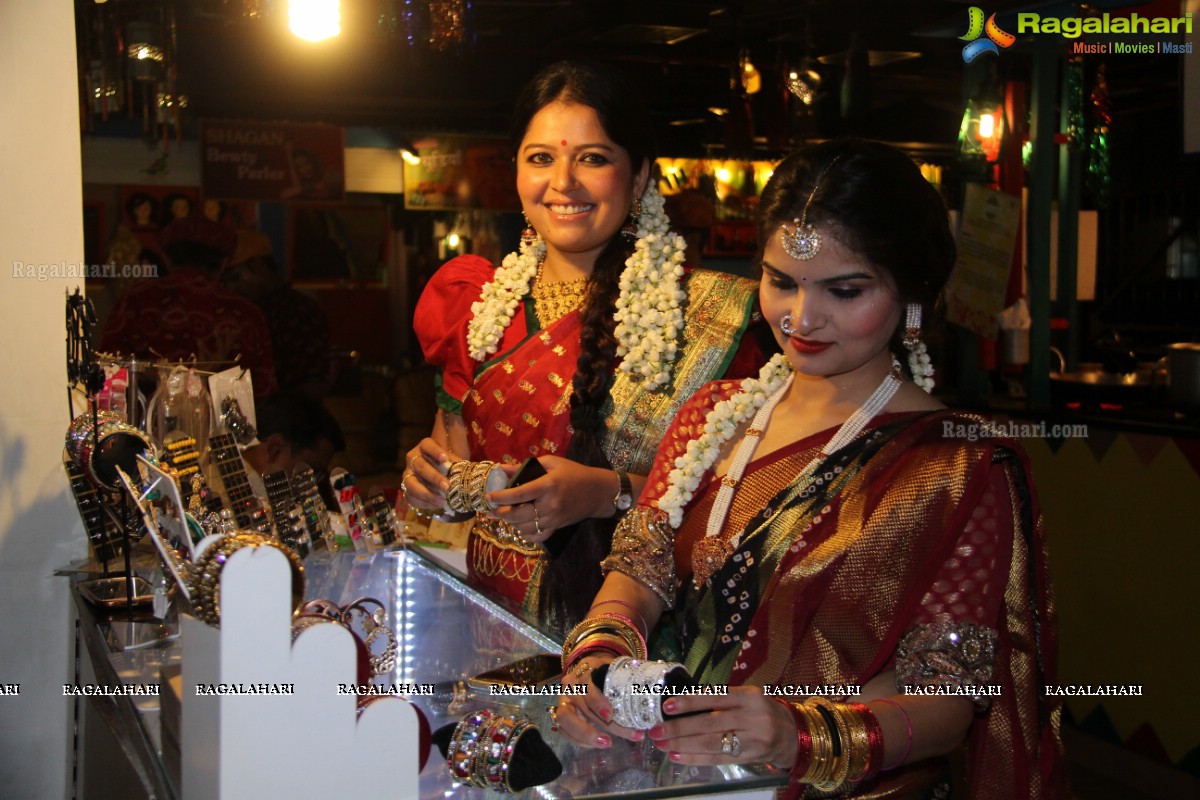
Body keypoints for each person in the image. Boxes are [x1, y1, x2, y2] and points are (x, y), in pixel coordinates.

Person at [554, 139, 1066, 799]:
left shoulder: (955, 467)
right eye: (781, 281)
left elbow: (945, 700)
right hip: (685, 775)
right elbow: (638, 573)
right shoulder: (713, 417)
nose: (801, 316)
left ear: (911, 295)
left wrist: (797, 734)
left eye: (844, 290)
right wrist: (599, 654)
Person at [402, 61, 769, 632]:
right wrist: (429, 479)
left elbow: (746, 510)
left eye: (593, 158)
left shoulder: (706, 319)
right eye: (541, 158)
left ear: (640, 176)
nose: (563, 182)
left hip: (635, 638)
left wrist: (609, 493)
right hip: (484, 623)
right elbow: (450, 460)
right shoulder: (474, 304)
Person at [99, 217, 278, 398]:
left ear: (167, 258)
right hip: (225, 423)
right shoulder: (246, 313)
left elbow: (108, 369)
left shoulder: (136, 299)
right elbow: (263, 388)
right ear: (224, 263)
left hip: (145, 420)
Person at [222, 232, 333, 398]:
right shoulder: (242, 312)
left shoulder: (298, 312)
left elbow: (314, 381)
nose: (230, 288)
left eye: (235, 278)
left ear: (258, 266)